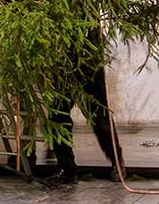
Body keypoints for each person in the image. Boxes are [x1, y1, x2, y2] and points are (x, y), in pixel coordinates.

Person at [46, 38, 121, 185]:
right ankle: (66, 170)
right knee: (58, 116)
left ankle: (117, 162)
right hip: (63, 62)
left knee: (100, 118)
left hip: (89, 61)